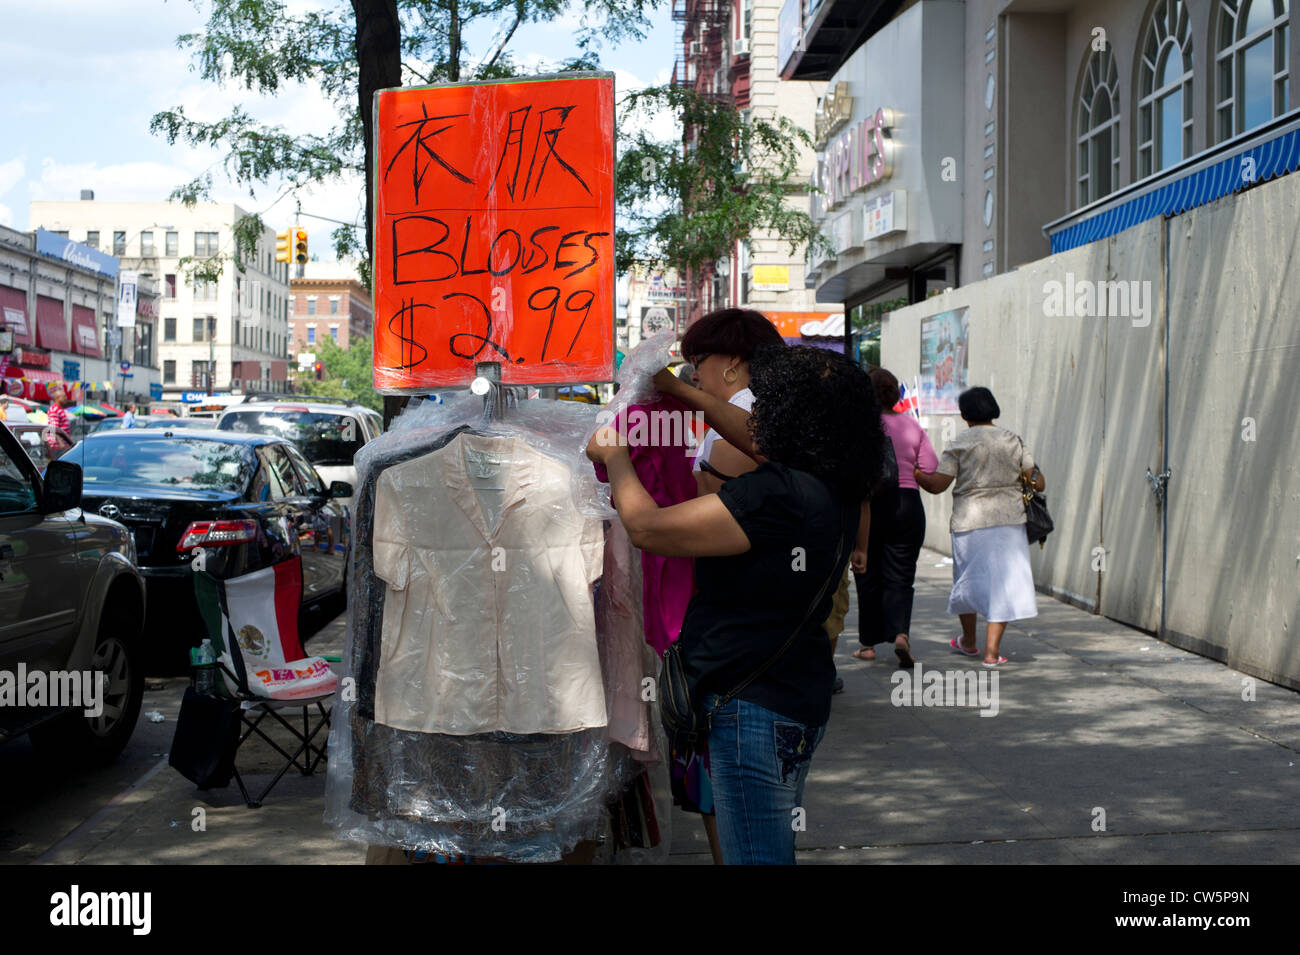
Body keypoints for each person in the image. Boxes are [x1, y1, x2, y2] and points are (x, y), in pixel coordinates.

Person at [588, 345, 884, 864]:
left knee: (756, 855)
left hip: (753, 710)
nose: (756, 414)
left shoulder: (777, 495)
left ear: (791, 414)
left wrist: (616, 456)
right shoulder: (834, 477)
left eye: (766, 403)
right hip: (794, 691)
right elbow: (753, 437)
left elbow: (647, 528)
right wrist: (682, 390)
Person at [914, 386, 1044, 666]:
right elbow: (1038, 483)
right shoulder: (1013, 440)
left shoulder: (960, 442)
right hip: (1009, 521)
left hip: (969, 522)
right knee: (1005, 585)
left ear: (964, 414)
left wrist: (914, 473)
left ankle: (969, 642)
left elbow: (937, 485)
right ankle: (992, 652)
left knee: (969, 582)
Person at [853, 368, 938, 669]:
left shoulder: (860, 427)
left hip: (869, 503)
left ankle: (867, 644)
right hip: (907, 503)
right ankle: (901, 634)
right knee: (901, 575)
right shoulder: (911, 425)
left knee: (866, 571)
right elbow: (929, 467)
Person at [681, 308, 785, 496]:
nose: (694, 375)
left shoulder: (743, 414)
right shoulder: (758, 405)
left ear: (732, 360)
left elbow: (715, 517)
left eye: (697, 362)